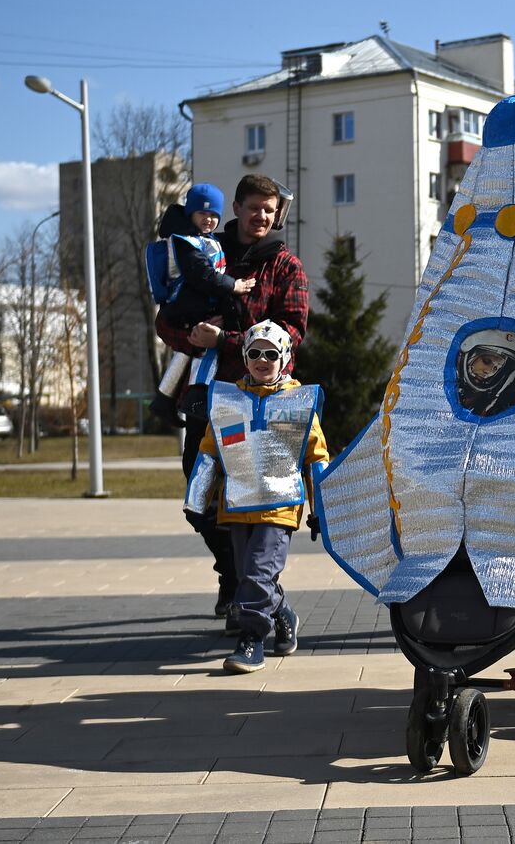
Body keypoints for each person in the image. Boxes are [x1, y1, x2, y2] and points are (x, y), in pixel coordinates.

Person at [155, 174, 309, 629]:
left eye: (269, 209)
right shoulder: (201, 250)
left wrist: (227, 339)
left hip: (262, 402)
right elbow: (167, 318)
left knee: (258, 506)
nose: (261, 216)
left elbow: (292, 331)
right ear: (237, 208)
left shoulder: (284, 266)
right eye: (253, 207)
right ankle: (234, 576)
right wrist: (190, 336)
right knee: (198, 498)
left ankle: (256, 597)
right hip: (206, 397)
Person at [183, 321, 328, 673]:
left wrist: (322, 508)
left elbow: (317, 459)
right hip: (237, 504)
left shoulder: (298, 403)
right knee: (250, 573)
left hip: (279, 506)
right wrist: (197, 501)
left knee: (259, 572)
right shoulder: (227, 402)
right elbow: (209, 452)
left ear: (286, 359)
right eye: (255, 353)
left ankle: (250, 639)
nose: (263, 360)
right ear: (245, 358)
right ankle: (283, 613)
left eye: (271, 354)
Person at [146, 184, 256, 423]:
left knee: (189, 351)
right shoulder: (187, 242)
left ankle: (164, 399)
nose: (209, 219)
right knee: (205, 346)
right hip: (189, 305)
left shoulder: (202, 239)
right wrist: (233, 286)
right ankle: (197, 396)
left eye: (214, 215)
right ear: (190, 214)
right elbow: (202, 275)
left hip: (190, 304)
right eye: (202, 214)